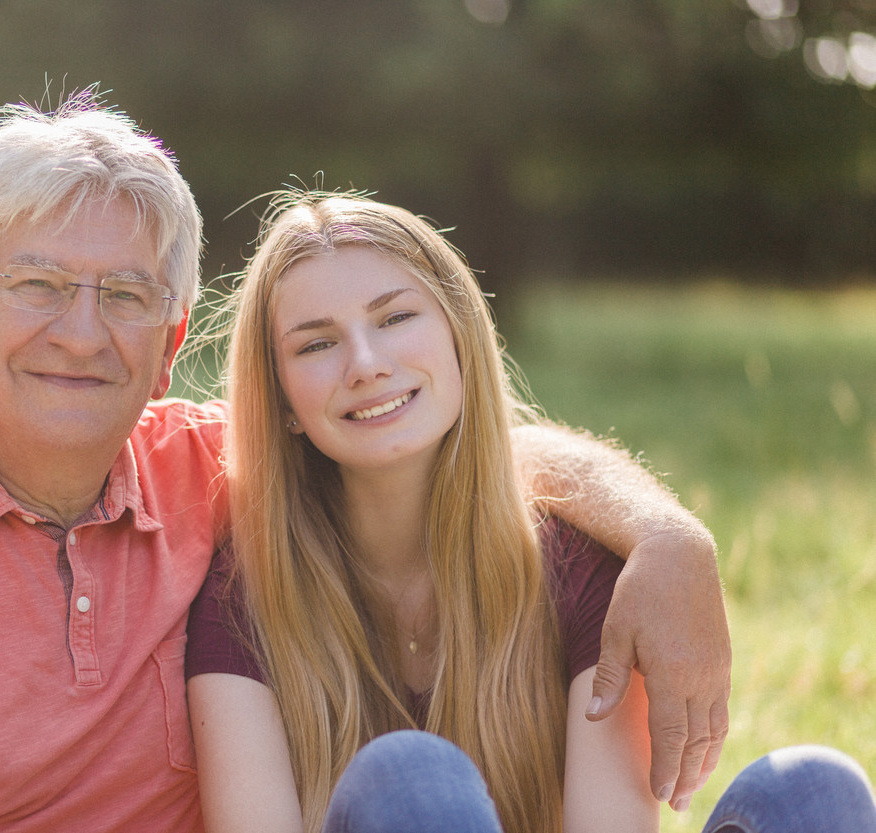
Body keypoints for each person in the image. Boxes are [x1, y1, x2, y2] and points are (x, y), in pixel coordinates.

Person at [0, 94, 727, 833]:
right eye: (39, 282)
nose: (81, 330)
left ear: (172, 335)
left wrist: (663, 533)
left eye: (126, 295)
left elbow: (430, 437)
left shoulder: (204, 469)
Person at [185, 191, 876, 833]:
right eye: (316, 343)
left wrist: (669, 533)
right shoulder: (242, 597)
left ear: (460, 337)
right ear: (281, 402)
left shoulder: (577, 565)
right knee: (410, 779)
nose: (365, 363)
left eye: (395, 317)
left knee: (818, 789)